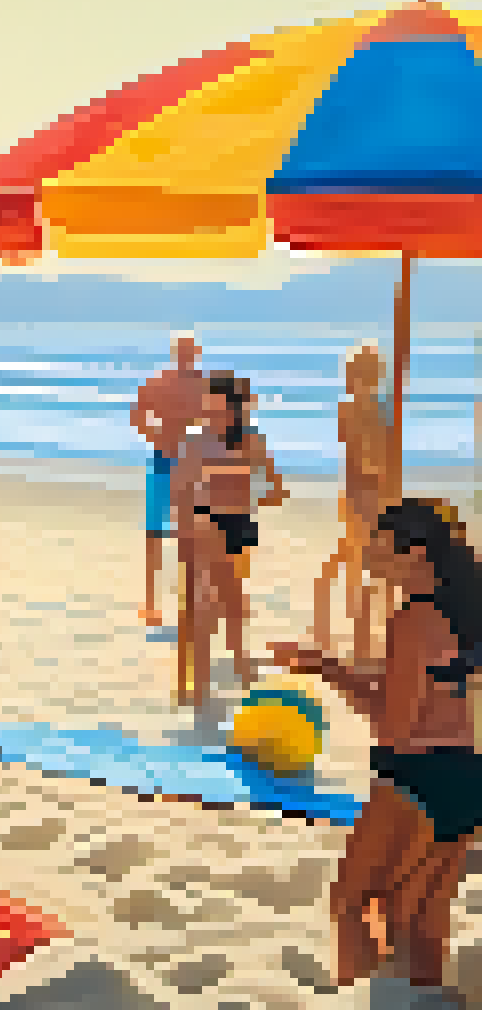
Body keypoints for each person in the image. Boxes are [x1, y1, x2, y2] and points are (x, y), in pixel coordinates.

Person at [272, 499, 482, 994]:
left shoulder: (413, 619)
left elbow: (396, 724)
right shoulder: (461, 614)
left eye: (379, 546)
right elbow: (425, 700)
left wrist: (334, 677)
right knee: (423, 916)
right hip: (466, 776)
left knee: (353, 901)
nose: (368, 555)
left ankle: (357, 993)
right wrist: (329, 668)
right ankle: (426, 997)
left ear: (414, 555)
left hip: (416, 779)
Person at [176, 372, 287, 698]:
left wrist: (249, 492)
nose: (210, 408)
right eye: (208, 402)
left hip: (240, 523)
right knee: (201, 604)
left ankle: (238, 669)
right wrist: (184, 529)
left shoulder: (251, 438)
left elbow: (277, 488)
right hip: (204, 521)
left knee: (234, 603)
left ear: (233, 406)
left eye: (217, 402)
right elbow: (182, 488)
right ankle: (194, 683)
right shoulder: (196, 438)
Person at [317, 344, 393, 662]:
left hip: (366, 497)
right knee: (367, 571)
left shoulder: (376, 408)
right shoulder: (354, 409)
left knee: (358, 568)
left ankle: (339, 633)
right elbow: (365, 458)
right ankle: (360, 645)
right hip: (362, 498)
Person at [131, 333, 203, 630]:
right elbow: (138, 415)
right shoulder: (161, 382)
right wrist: (157, 435)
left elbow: (219, 421)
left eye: (191, 353)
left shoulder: (202, 385)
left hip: (190, 462)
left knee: (189, 535)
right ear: (177, 354)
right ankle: (151, 603)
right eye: (185, 353)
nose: (189, 358)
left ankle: (184, 604)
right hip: (165, 459)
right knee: (156, 534)